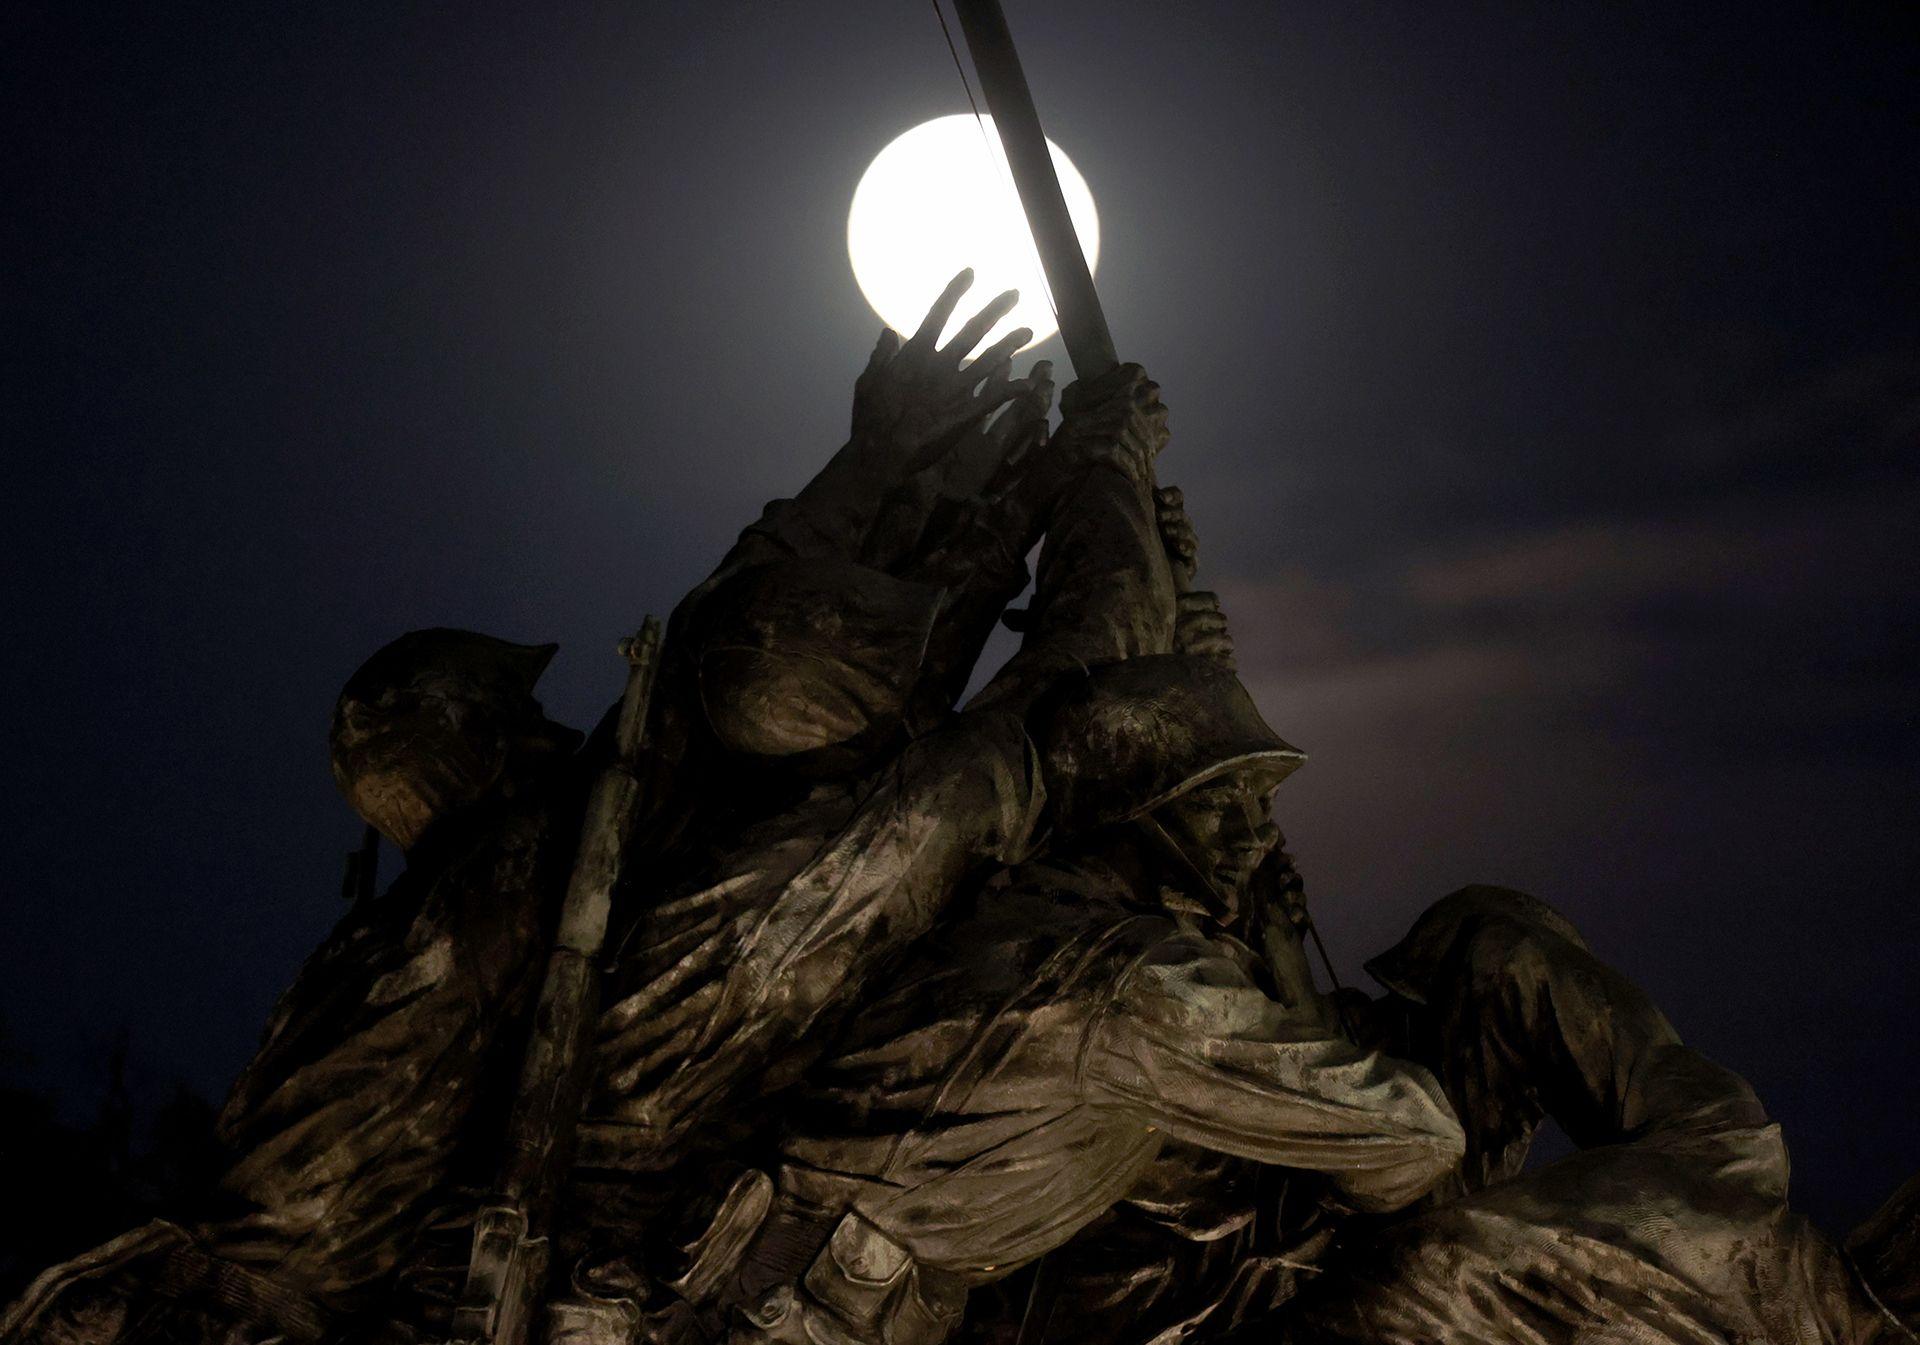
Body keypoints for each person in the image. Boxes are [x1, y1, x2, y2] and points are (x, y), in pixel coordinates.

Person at [629, 613, 1466, 1345]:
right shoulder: (1138, 984)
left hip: (793, 1296)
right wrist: (1346, 1191)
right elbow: (1418, 1132)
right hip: (806, 1316)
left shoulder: (1019, 914)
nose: (1253, 833)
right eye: (1223, 802)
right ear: (1138, 808)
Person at [1225, 885, 1920, 1345]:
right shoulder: (1722, 1154)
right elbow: (1520, 966)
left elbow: (1518, 960)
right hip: (1379, 1233)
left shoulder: (1729, 1144)